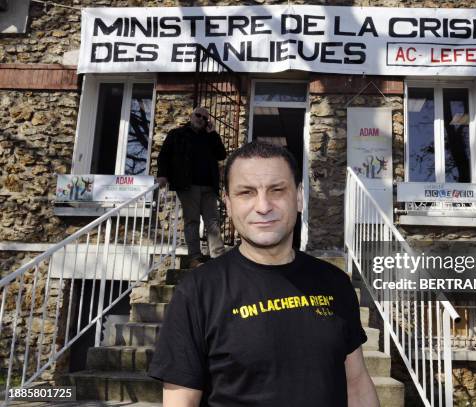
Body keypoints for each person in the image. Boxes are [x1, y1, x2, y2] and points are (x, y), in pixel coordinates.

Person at [149, 142, 380, 407]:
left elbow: (357, 383)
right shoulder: (197, 292)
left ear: (299, 197)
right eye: (246, 193)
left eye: (277, 190)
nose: (263, 206)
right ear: (228, 203)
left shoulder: (335, 282)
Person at [157, 107, 227, 267]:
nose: (201, 119)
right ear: (191, 116)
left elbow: (221, 154)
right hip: (188, 185)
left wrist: (213, 133)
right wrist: (162, 175)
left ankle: (218, 256)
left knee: (212, 221)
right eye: (198, 115)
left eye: (204, 117)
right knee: (192, 221)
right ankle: (195, 256)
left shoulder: (209, 137)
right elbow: (164, 156)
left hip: (209, 187)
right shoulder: (177, 135)